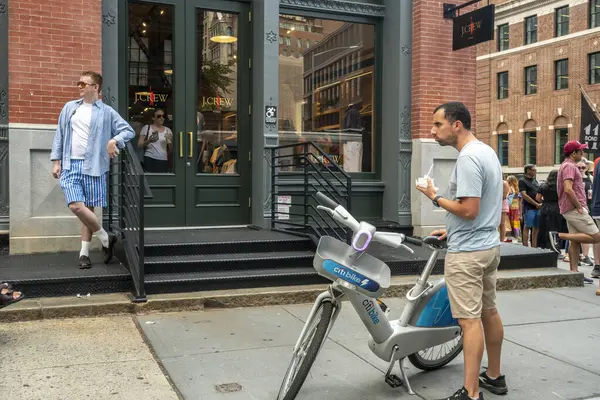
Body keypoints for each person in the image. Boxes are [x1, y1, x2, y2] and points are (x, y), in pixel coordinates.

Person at [416, 102, 507, 400]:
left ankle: (471, 393)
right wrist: (451, 228)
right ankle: (494, 376)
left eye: (438, 124)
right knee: (489, 312)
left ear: (457, 125)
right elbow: (488, 204)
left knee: (469, 322)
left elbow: (469, 209)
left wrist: (435, 196)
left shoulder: (468, 158)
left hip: (467, 254)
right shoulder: (487, 151)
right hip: (488, 248)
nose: (432, 130)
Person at [50, 71, 135, 269]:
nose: (79, 87)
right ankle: (106, 237)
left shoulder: (106, 112)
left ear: (95, 87)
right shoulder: (70, 108)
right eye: (78, 83)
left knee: (87, 210)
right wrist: (56, 161)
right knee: (76, 206)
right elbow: (60, 135)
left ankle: (84, 254)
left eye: (83, 84)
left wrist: (114, 140)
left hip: (95, 165)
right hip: (70, 164)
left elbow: (128, 131)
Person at [549, 141, 600, 285]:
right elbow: (568, 188)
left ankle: (574, 273)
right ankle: (557, 236)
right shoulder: (570, 167)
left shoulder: (565, 166)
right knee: (596, 236)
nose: (582, 153)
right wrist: (579, 206)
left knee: (575, 241)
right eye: (580, 151)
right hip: (574, 209)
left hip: (568, 208)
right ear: (573, 153)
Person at [535, 170, 566, 250]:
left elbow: (537, 198)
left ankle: (543, 246)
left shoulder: (543, 186)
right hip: (557, 207)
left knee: (544, 227)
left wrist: (544, 202)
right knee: (556, 227)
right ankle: (555, 247)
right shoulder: (560, 186)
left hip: (545, 207)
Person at [138, 108, 173, 173]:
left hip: (163, 159)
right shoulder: (147, 128)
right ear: (153, 118)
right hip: (149, 158)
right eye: (159, 116)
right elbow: (139, 145)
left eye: (163, 116)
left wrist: (169, 143)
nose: (162, 118)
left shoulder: (168, 130)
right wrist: (149, 140)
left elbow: (171, 150)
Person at [519, 165, 541, 247]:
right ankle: (525, 246)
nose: (535, 171)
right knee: (527, 226)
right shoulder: (522, 181)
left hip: (538, 207)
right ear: (528, 170)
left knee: (536, 228)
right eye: (533, 170)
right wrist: (536, 204)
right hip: (529, 208)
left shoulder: (535, 181)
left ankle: (534, 247)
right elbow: (524, 195)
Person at [506, 175, 522, 241]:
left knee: (508, 222)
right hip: (516, 207)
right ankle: (517, 235)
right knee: (515, 222)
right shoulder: (517, 189)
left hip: (510, 207)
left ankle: (509, 236)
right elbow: (520, 201)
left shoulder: (509, 188)